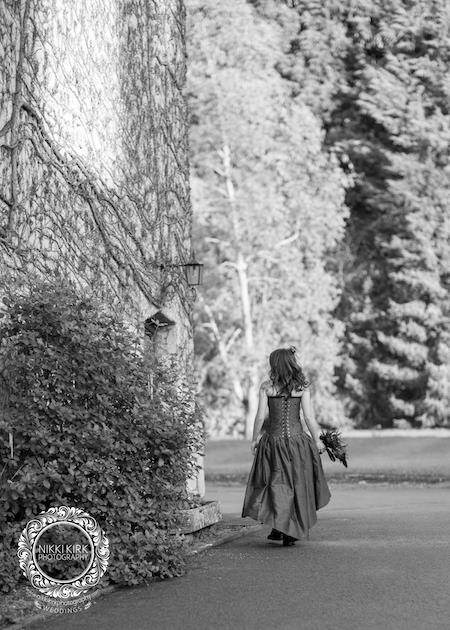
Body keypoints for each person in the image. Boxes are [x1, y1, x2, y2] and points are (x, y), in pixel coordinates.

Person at [241, 346, 331, 546]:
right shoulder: (302, 387)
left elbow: (260, 416)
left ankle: (281, 526)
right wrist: (316, 440)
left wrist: (255, 439)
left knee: (276, 484)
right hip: (298, 443)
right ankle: (286, 528)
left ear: (275, 364)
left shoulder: (267, 387)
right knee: (296, 483)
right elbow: (308, 417)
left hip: (273, 442)